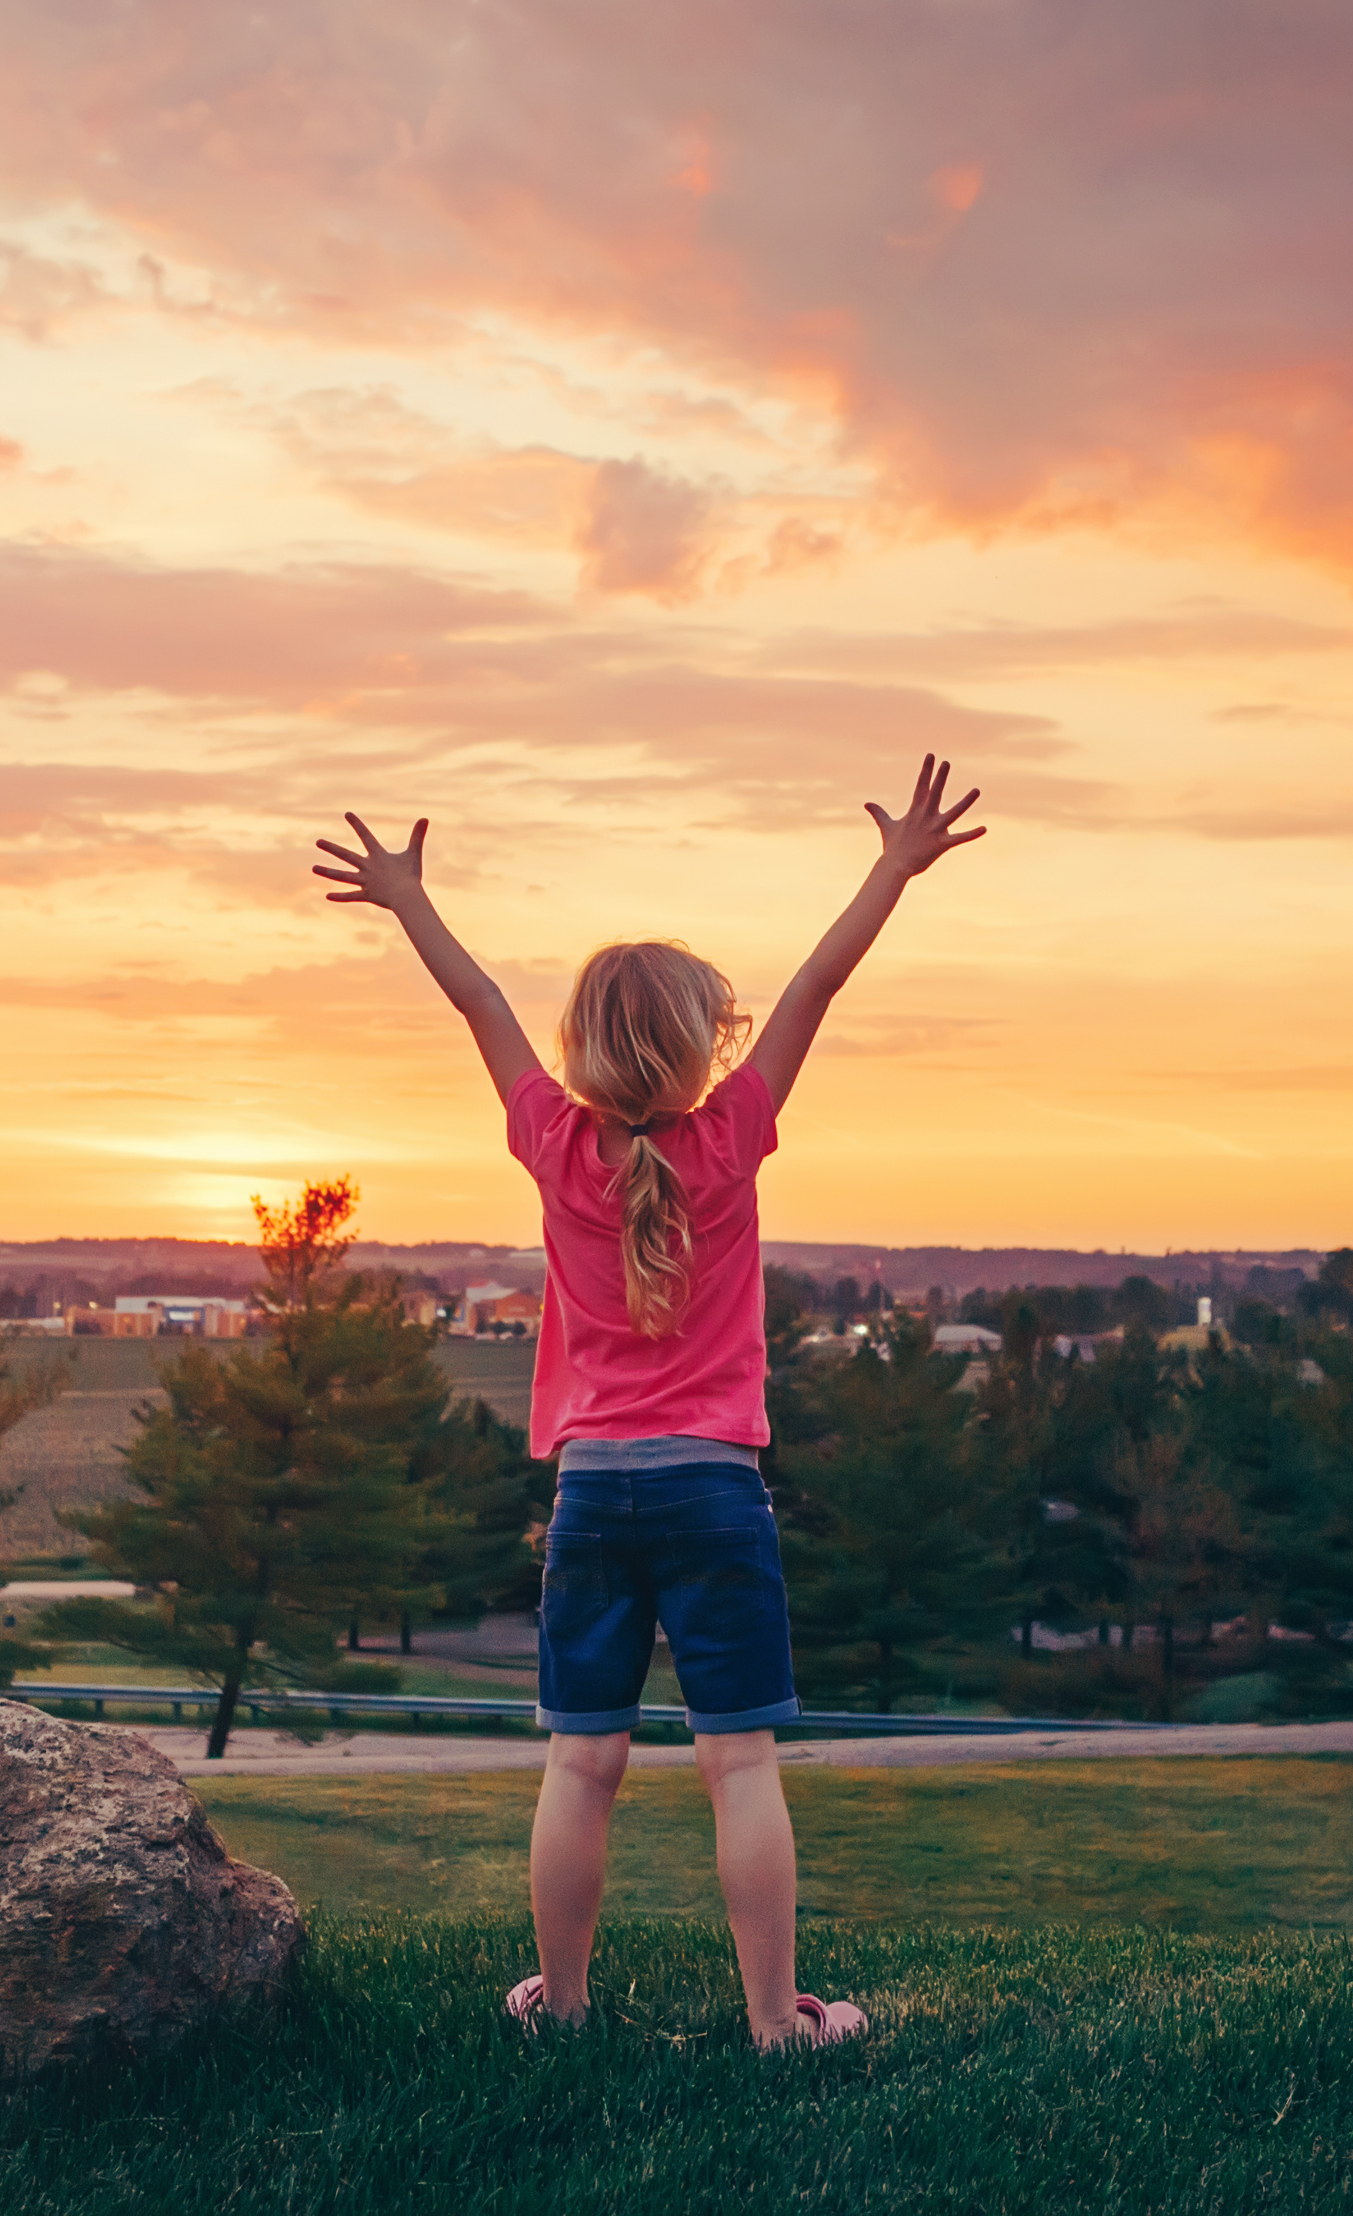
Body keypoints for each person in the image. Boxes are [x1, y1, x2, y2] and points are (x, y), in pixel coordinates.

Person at [313, 754, 988, 2050]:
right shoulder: (731, 1133)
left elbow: (480, 1001)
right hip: (714, 1488)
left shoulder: (551, 1143)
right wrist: (891, 867)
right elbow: (818, 985)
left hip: (596, 1494)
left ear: (582, 1055)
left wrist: (408, 899)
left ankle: (559, 2006)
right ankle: (775, 2022)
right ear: (696, 1053)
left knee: (582, 1762)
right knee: (740, 1764)